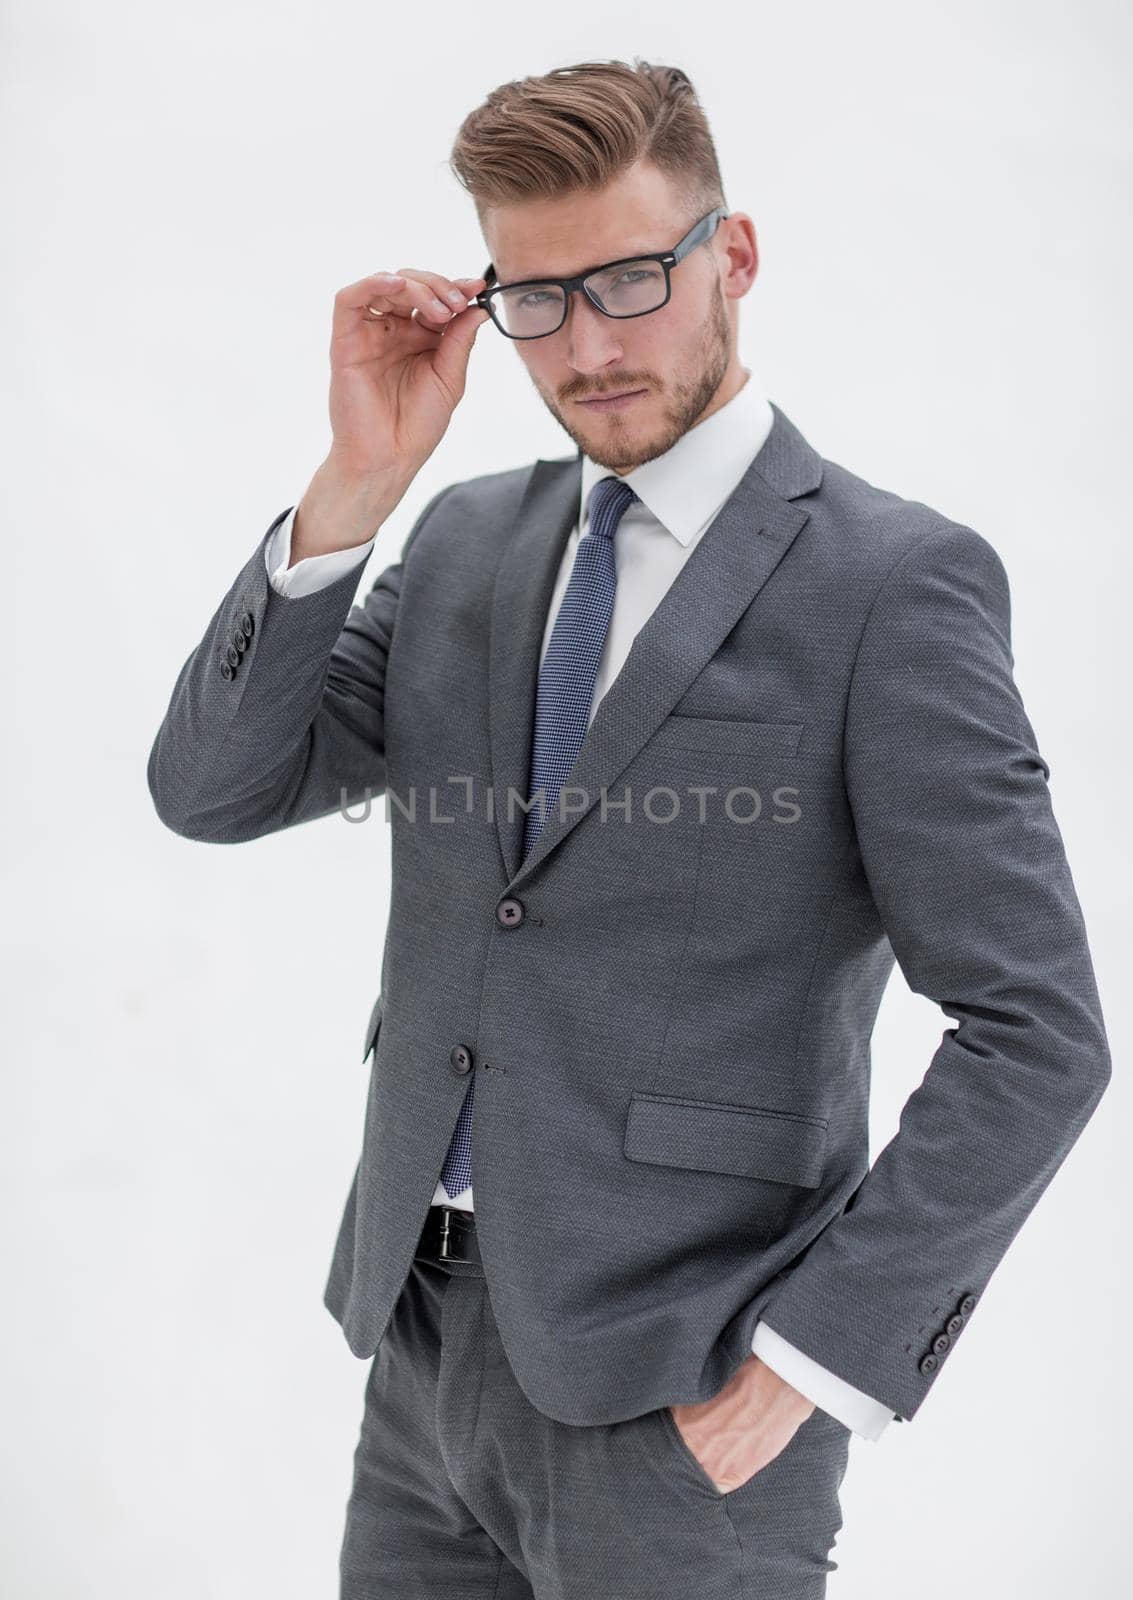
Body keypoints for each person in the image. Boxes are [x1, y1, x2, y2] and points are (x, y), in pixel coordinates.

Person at [147, 57, 1111, 1598]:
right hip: (417, 1355)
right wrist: (356, 484)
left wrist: (808, 1365)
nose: (586, 345)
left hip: (685, 1396)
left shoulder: (888, 585)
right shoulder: (462, 540)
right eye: (535, 300)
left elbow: (1036, 1030)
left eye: (632, 280)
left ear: (731, 257)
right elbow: (213, 791)